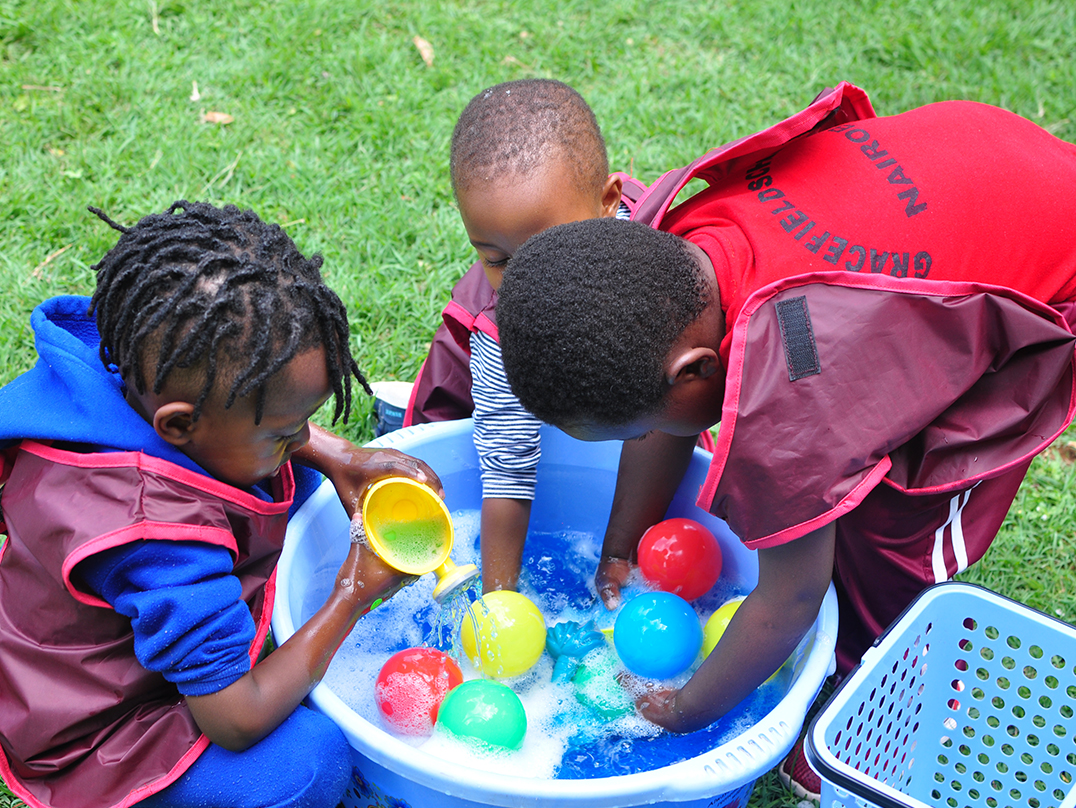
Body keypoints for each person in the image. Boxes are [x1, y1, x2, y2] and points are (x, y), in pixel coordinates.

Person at [495, 91, 1076, 792]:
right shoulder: (674, 258)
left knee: (897, 518)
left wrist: (681, 709)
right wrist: (622, 545)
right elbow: (666, 411)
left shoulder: (787, 399)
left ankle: (891, 685)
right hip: (970, 156)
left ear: (697, 372)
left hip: (1045, 259)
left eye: (639, 427)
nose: (644, 438)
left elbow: (791, 599)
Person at [0, 201, 442, 808]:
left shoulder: (135, 358)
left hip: (65, 657)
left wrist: (339, 456)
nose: (301, 439)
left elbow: (256, 431)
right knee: (308, 762)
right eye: (286, 429)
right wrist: (353, 593)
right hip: (99, 737)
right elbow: (238, 720)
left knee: (296, 484)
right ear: (179, 425)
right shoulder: (153, 537)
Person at [404, 79, 632, 592]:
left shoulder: (652, 256)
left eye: (547, 250)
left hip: (568, 376)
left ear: (609, 205)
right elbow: (506, 470)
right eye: (497, 259)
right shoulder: (500, 328)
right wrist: (496, 602)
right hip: (467, 401)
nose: (527, 283)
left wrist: (623, 546)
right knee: (424, 475)